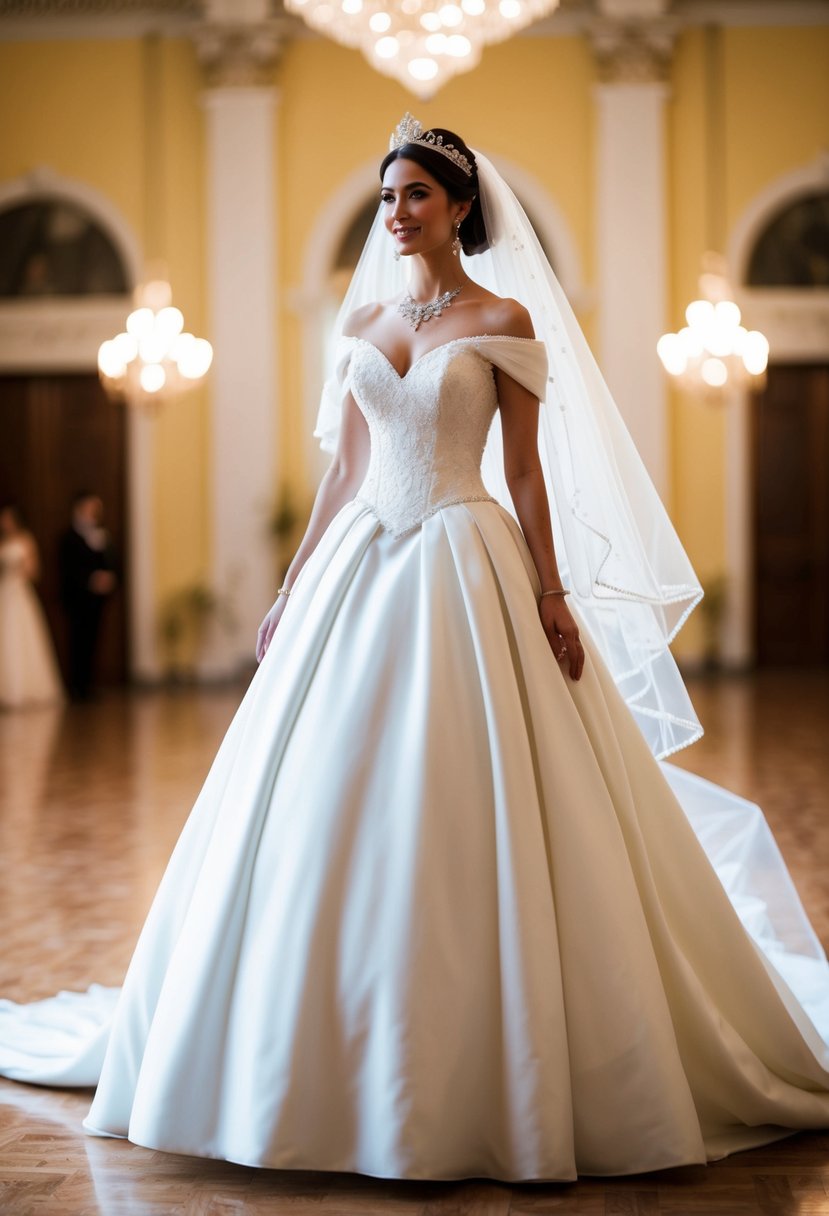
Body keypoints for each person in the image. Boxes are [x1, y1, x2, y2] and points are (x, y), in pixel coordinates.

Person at [1, 116, 828, 1181]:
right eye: (387, 197)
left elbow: (525, 473)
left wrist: (552, 592)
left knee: (473, 787)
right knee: (319, 797)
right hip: (361, 566)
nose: (394, 215)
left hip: (464, 555)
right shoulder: (367, 320)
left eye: (414, 198)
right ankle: (313, 1046)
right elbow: (343, 476)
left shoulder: (504, 315)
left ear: (459, 207)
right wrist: (294, 586)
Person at [0, 502, 64, 709]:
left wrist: (19, 572)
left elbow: (34, 571)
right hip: (3, 591)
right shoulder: (3, 541)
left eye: (9, 518)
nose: (6, 522)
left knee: (19, 637)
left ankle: (24, 690)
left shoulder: (25, 539)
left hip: (19, 591)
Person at [58, 492, 117, 701]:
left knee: (94, 641)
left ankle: (90, 684)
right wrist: (90, 579)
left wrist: (108, 578)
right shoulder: (69, 536)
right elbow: (69, 569)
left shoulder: (100, 535)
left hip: (96, 601)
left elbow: (109, 562)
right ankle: (77, 687)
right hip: (77, 599)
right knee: (77, 642)